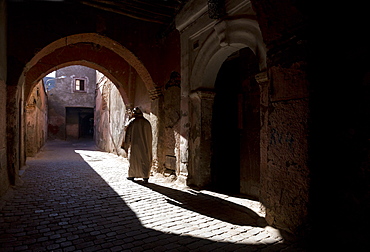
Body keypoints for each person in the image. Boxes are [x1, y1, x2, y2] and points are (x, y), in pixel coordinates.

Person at [122, 107, 152, 183]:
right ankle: (145, 176)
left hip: (134, 145)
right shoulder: (147, 122)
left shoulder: (132, 122)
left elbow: (127, 134)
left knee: (133, 160)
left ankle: (132, 175)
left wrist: (126, 145)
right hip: (145, 145)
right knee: (145, 159)